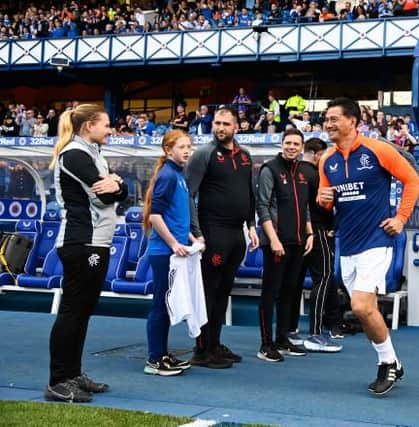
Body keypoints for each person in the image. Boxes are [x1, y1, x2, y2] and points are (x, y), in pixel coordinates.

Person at [317, 97, 419, 395]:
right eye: (326, 119)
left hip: (376, 241)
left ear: (353, 121)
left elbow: (412, 180)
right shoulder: (327, 160)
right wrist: (323, 202)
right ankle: (392, 362)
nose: (328, 124)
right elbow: (327, 202)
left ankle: (387, 363)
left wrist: (400, 219)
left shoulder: (378, 150)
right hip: (346, 244)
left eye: (334, 118)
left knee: (360, 306)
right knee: (366, 311)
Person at [45, 104, 129, 402]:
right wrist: (116, 185)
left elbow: (121, 193)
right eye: (106, 124)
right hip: (81, 242)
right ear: (87, 126)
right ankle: (58, 380)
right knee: (73, 310)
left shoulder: (93, 154)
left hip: (97, 242)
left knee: (83, 311)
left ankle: (73, 373)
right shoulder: (75, 154)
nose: (110, 129)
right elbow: (107, 195)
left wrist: (119, 184)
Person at [185, 106, 259, 369]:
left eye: (226, 124)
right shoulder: (204, 154)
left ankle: (215, 343)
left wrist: (251, 224)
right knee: (209, 291)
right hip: (213, 232)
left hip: (236, 233)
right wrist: (197, 232)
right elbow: (188, 196)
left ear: (236, 127)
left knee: (224, 291)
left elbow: (249, 194)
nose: (220, 128)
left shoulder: (246, 156)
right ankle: (202, 349)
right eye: (217, 123)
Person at [142, 129, 197, 376]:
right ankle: (155, 359)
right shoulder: (168, 175)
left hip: (174, 250)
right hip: (164, 252)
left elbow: (177, 216)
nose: (187, 151)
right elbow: (155, 216)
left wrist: (192, 238)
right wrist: (175, 243)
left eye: (189, 146)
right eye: (182, 147)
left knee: (166, 303)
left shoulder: (178, 174)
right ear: (168, 150)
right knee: (161, 304)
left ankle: (162, 354)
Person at [256, 128, 313, 362]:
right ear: (282, 144)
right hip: (277, 243)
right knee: (270, 293)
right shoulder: (270, 169)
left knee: (290, 293)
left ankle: (282, 338)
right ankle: (265, 344)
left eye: (296, 143)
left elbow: (305, 206)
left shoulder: (301, 172)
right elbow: (263, 206)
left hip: (299, 242)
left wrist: (310, 233)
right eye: (288, 142)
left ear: (301, 147)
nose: (291, 147)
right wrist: (273, 239)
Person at [289, 137, 343, 353]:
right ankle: (315, 333)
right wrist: (332, 224)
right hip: (319, 232)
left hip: (296, 235)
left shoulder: (292, 171)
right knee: (324, 277)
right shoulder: (316, 174)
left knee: (295, 281)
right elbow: (323, 205)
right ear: (318, 154)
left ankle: (290, 330)